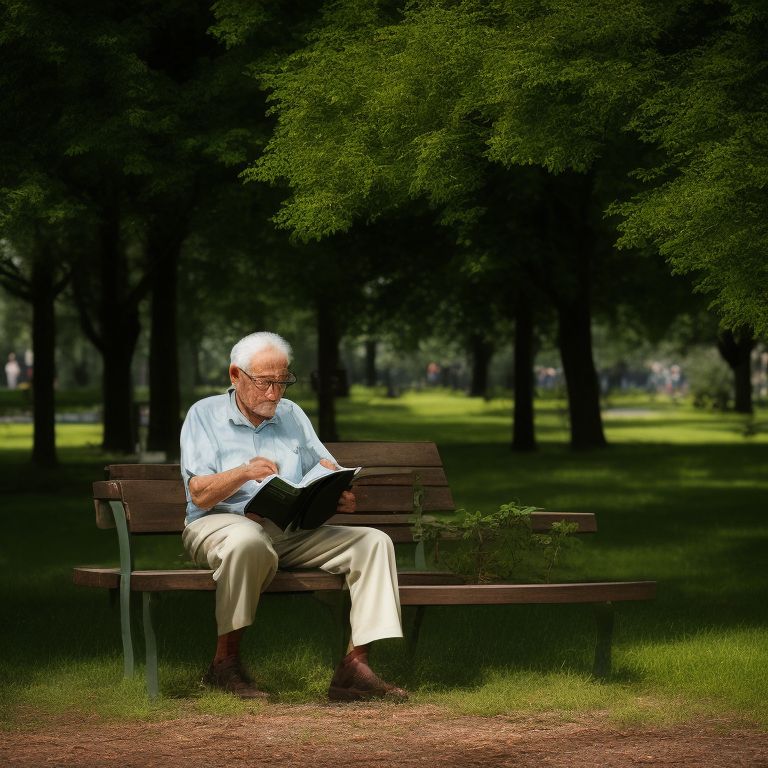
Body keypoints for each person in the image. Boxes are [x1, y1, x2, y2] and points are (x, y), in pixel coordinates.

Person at [180, 331, 407, 702]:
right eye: (265, 383)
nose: (274, 394)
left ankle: (354, 667)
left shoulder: (292, 414)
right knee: (246, 541)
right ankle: (224, 664)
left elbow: (324, 464)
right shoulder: (204, 415)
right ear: (235, 375)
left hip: (286, 529)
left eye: (282, 382)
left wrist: (337, 494)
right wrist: (243, 472)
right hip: (219, 525)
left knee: (373, 542)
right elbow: (200, 494)